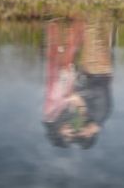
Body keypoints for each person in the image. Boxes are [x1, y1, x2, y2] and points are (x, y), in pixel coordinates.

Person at [42, 19, 114, 149]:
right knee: (94, 29)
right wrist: (78, 96)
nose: (76, 130)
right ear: (89, 135)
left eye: (69, 135)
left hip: (87, 70)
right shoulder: (101, 114)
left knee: (87, 31)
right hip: (98, 69)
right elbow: (99, 90)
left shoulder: (56, 117)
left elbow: (61, 95)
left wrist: (77, 96)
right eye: (80, 133)